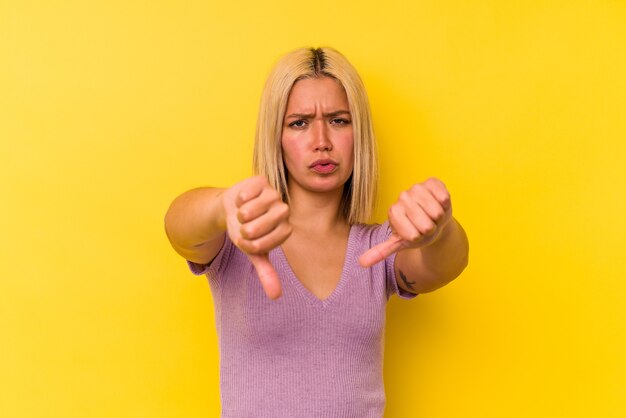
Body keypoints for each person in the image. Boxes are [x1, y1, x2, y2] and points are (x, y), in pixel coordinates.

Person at [164, 47, 469, 417]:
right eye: (299, 123)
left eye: (339, 120)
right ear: (275, 136)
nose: (321, 139)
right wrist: (221, 205)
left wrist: (439, 229)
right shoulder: (242, 238)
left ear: (360, 134)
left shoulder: (380, 248)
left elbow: (444, 265)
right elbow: (180, 227)